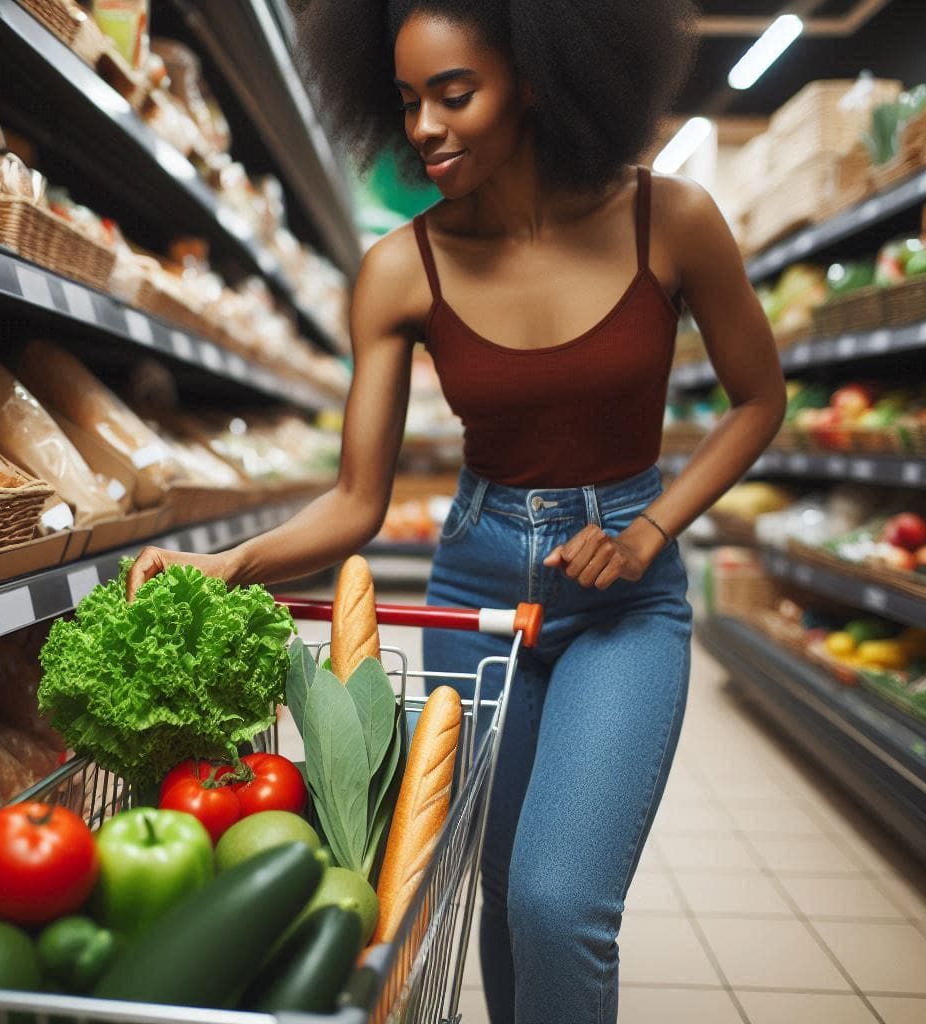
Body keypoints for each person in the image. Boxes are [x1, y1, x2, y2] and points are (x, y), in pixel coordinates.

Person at [127, 2, 787, 1020]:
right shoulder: (401, 269)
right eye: (406, 101)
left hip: (624, 596)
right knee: (493, 887)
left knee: (557, 897)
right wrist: (230, 564)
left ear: (531, 78)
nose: (423, 127)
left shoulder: (671, 219)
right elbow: (356, 500)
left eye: (453, 93)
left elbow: (759, 399)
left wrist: (654, 526)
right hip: (474, 588)